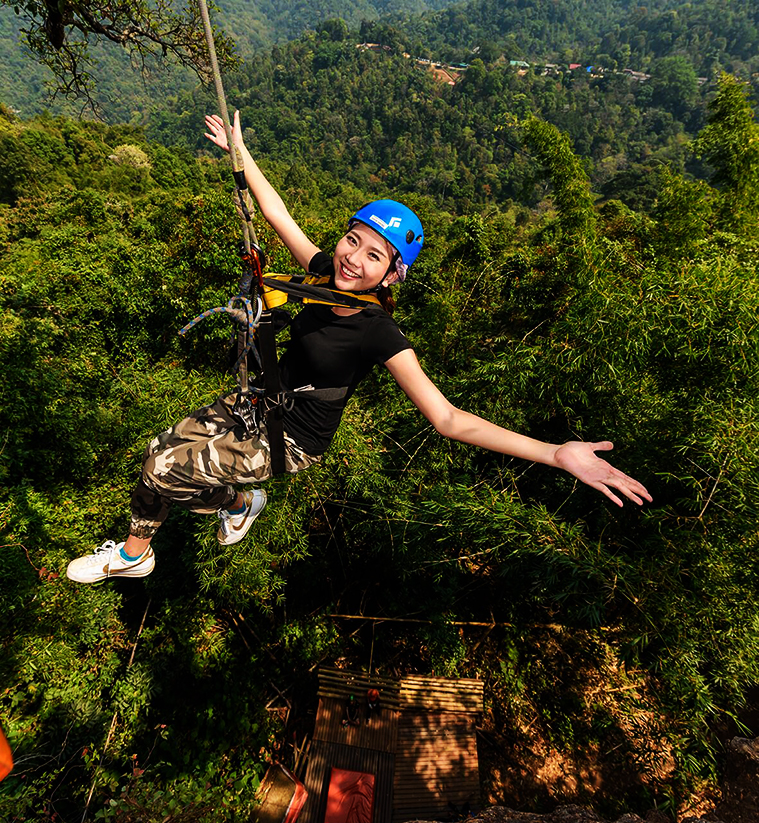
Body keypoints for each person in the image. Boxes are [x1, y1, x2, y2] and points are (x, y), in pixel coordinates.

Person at [66, 112, 651, 583]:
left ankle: (135, 555)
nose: (353, 257)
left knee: (163, 471)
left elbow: (448, 419)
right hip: (256, 402)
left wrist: (556, 454)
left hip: (290, 439)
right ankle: (237, 505)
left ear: (392, 275)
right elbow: (278, 216)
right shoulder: (322, 273)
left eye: (374, 255)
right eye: (353, 240)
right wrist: (239, 155)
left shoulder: (379, 332)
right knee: (160, 447)